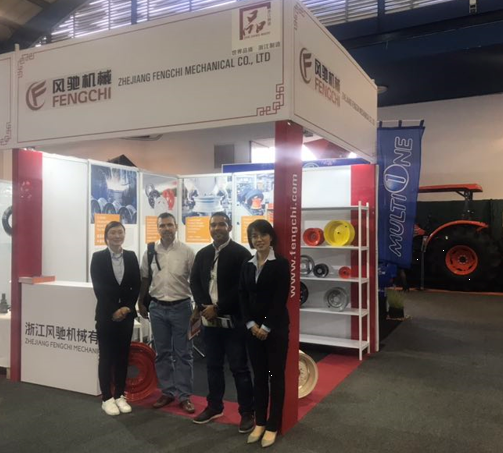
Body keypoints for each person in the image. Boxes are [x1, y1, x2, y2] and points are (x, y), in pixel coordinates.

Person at [190, 212, 255, 433]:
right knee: (213, 366)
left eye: (221, 224)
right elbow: (195, 282)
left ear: (229, 227)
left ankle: (247, 412)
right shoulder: (203, 254)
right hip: (210, 323)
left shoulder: (241, 254)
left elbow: (243, 288)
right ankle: (214, 406)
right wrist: (204, 306)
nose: (217, 228)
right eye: (213, 225)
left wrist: (218, 308)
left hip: (233, 322)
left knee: (239, 368)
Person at [239, 219, 290, 448]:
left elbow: (280, 299)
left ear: (271, 237)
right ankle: (260, 421)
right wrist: (251, 324)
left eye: (262, 235)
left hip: (275, 330)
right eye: (254, 236)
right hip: (252, 330)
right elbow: (242, 295)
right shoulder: (247, 264)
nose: (258, 239)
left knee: (275, 376)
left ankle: (272, 425)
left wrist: (266, 327)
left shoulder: (281, 264)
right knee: (258, 376)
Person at [138, 212, 196, 413]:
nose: (166, 229)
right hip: (157, 308)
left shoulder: (187, 252)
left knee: (184, 354)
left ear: (176, 227)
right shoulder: (150, 251)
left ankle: (184, 395)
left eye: (170, 225)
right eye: (162, 226)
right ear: (158, 228)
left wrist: (198, 308)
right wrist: (141, 302)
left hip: (182, 308)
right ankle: (168, 391)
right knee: (162, 353)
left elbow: (195, 281)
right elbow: (145, 278)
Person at [90, 221, 141, 416]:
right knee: (106, 356)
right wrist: (114, 310)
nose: (117, 236)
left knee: (122, 356)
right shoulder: (98, 258)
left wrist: (127, 307)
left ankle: (119, 394)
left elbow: (136, 284)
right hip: (106, 315)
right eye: (113, 233)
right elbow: (99, 288)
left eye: (120, 232)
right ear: (106, 236)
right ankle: (106, 398)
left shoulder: (131, 256)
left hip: (126, 315)